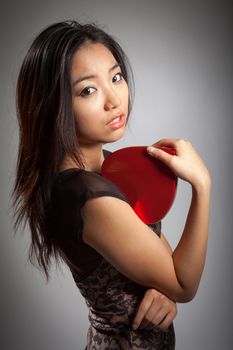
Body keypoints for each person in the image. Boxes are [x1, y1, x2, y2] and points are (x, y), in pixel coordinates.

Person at [12, 21, 211, 349]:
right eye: (88, 90)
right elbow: (183, 282)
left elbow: (163, 267)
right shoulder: (87, 195)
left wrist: (160, 288)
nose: (114, 99)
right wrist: (202, 185)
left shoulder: (107, 164)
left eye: (116, 77)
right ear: (54, 104)